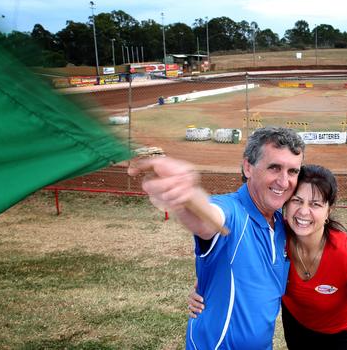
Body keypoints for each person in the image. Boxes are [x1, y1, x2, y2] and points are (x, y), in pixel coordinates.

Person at [129, 126, 305, 350]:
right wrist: (187, 195)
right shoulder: (232, 211)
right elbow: (209, 219)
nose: (284, 181)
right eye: (274, 167)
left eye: (293, 171)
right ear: (248, 167)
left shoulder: (282, 225)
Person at [189, 164, 347, 349]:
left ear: (328, 211)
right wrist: (205, 290)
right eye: (297, 200)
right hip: (295, 323)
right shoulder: (274, 234)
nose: (303, 212)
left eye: (315, 204)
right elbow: (233, 259)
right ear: (286, 204)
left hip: (339, 333)